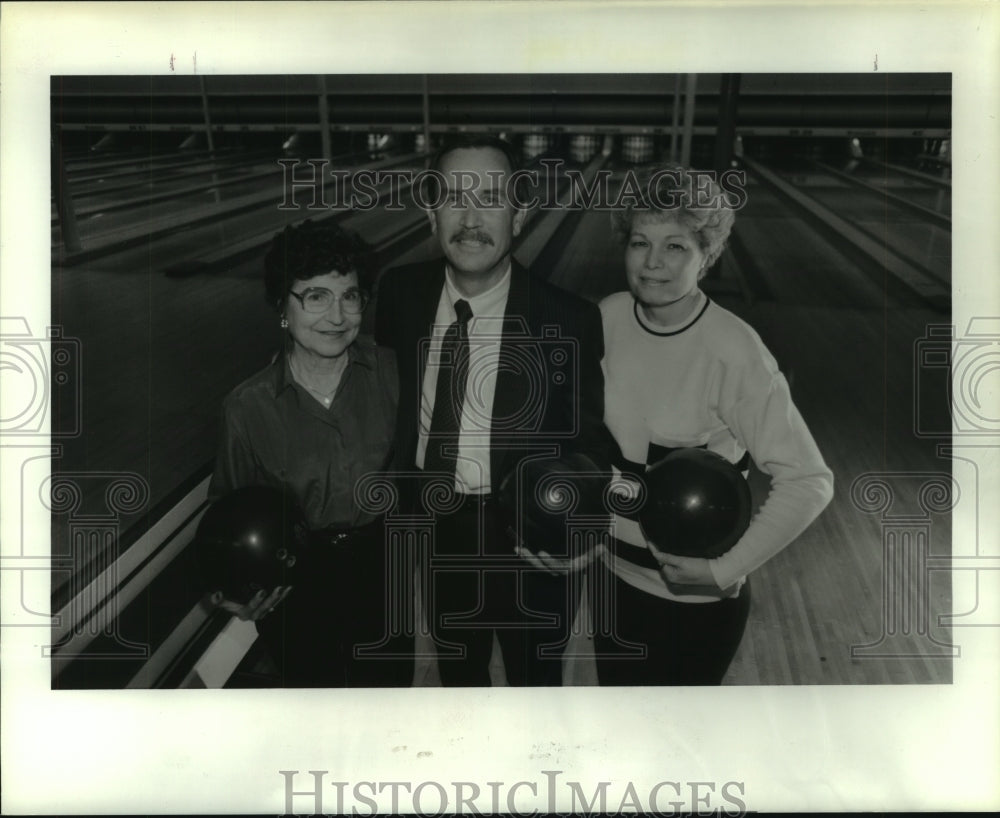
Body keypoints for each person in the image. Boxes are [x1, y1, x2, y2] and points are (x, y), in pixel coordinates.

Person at [374, 135, 610, 686]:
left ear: (520, 214)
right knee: (460, 680)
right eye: (454, 196)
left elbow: (591, 444)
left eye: (490, 197)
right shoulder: (400, 295)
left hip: (530, 535)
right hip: (436, 534)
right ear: (432, 214)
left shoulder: (567, 318)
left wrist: (586, 526)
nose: (471, 216)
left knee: (536, 687)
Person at [593, 165, 834, 685]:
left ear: (708, 255)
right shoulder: (607, 318)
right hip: (611, 583)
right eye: (640, 242)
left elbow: (809, 480)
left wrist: (723, 571)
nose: (652, 262)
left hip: (693, 609)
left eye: (675, 246)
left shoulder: (733, 350)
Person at [207, 220, 413, 687]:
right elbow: (226, 515)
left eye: (350, 296)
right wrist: (230, 591)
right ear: (283, 305)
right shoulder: (246, 406)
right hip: (295, 580)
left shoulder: (393, 373)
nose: (337, 316)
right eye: (316, 296)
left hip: (381, 569)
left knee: (387, 704)